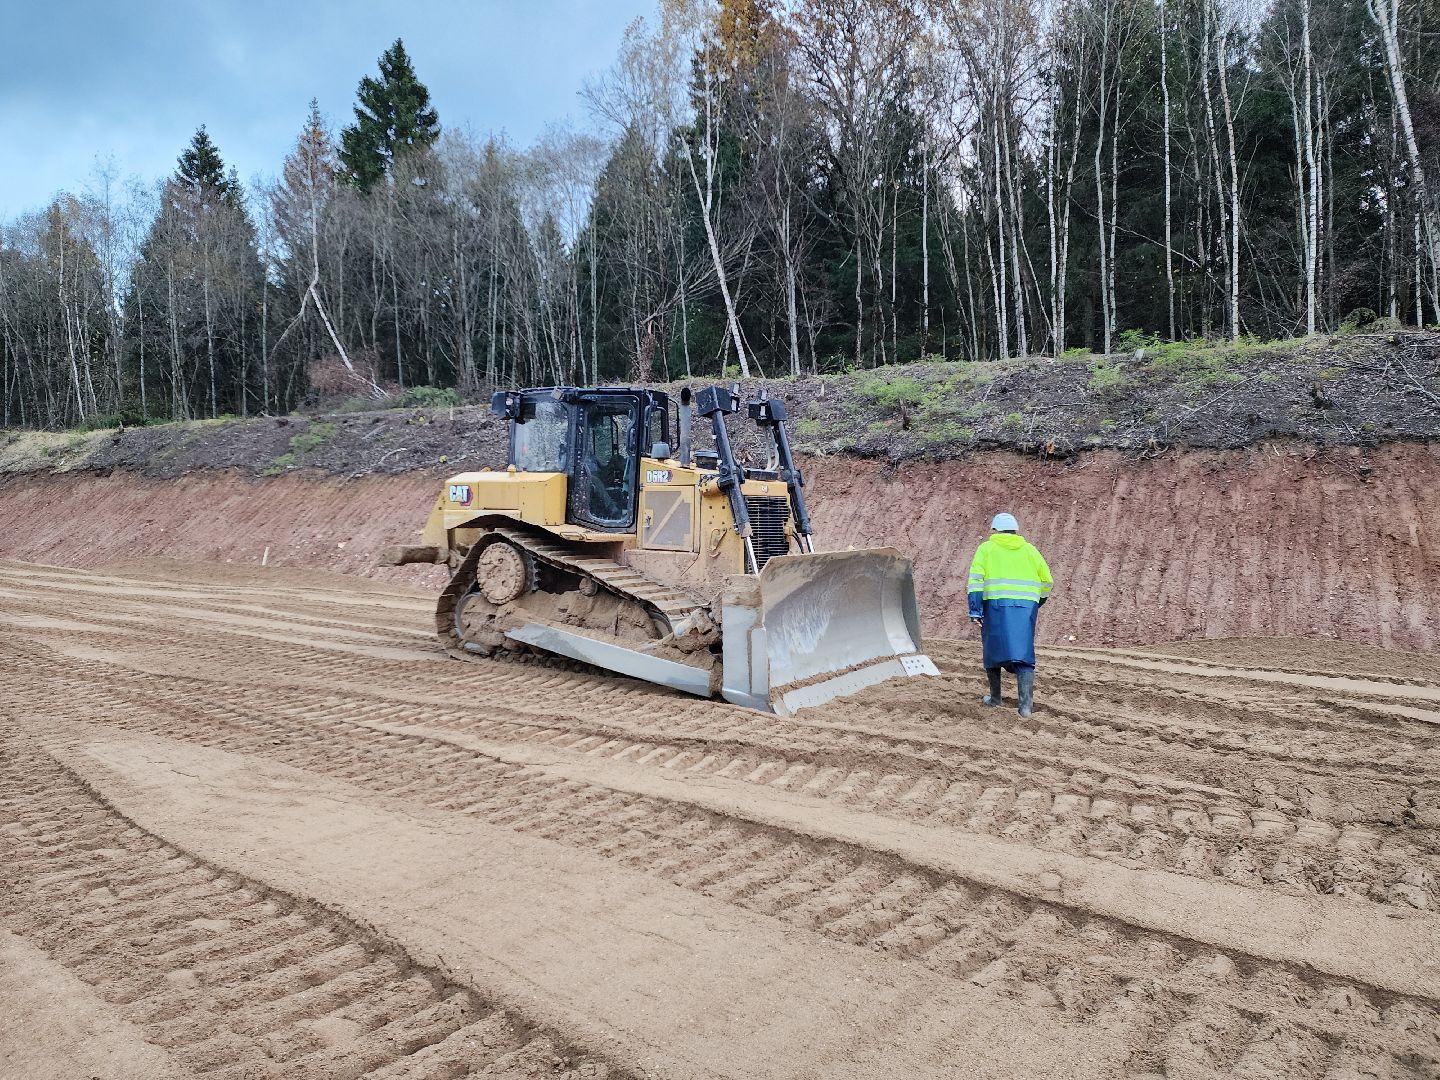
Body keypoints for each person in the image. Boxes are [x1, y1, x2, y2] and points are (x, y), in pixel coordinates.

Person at [967, 513, 1053, 717]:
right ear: (1015, 530)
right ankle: (1025, 707)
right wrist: (1036, 602)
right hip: (1025, 608)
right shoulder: (1030, 550)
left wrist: (975, 610)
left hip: (994, 606)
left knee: (992, 651)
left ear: (995, 530)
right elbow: (1047, 581)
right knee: (1024, 654)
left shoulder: (986, 549)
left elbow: (976, 582)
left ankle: (995, 698)